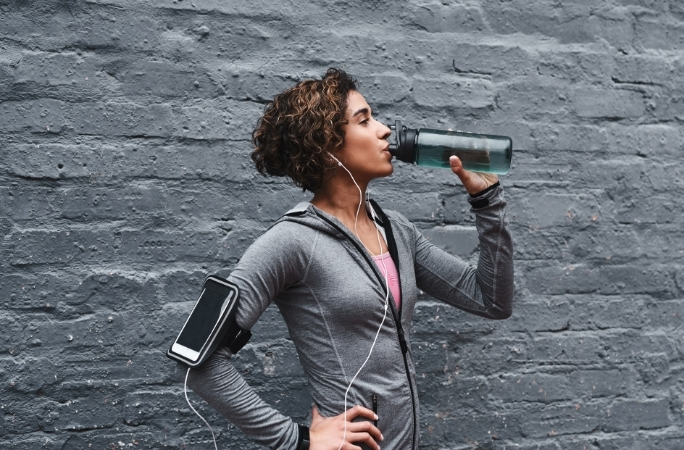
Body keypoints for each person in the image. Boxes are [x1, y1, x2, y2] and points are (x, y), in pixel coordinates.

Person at [177, 68, 514, 450]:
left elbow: (492, 300)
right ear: (326, 145)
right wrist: (298, 440)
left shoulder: (396, 230)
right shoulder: (291, 241)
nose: (385, 130)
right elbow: (197, 360)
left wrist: (487, 202)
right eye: (364, 120)